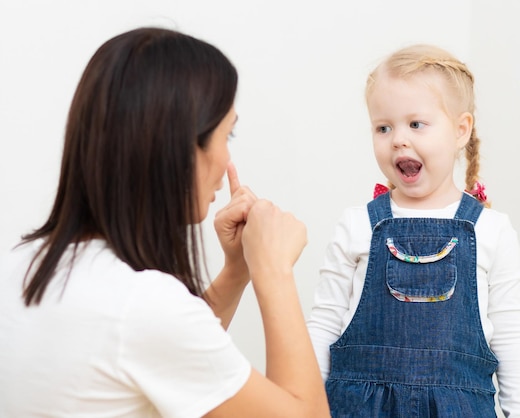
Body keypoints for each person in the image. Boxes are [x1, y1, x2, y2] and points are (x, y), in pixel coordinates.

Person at [0, 27, 330, 418]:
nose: (227, 166)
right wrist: (272, 269)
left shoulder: (23, 264)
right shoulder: (141, 305)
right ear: (182, 148)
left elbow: (167, 350)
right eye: (229, 134)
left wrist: (237, 270)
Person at [306, 44, 520, 417]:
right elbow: (324, 325)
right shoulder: (357, 225)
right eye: (383, 127)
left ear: (461, 130)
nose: (398, 138)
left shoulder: (493, 231)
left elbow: (512, 338)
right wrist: (305, 406)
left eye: (416, 124)